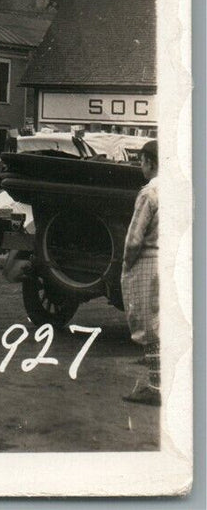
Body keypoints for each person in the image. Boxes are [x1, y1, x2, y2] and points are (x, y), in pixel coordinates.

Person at [123, 139, 160, 406]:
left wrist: (127, 263)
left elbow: (134, 238)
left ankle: (156, 386)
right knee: (163, 322)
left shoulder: (149, 193)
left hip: (148, 260)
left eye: (142, 161)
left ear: (149, 162)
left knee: (148, 324)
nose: (141, 166)